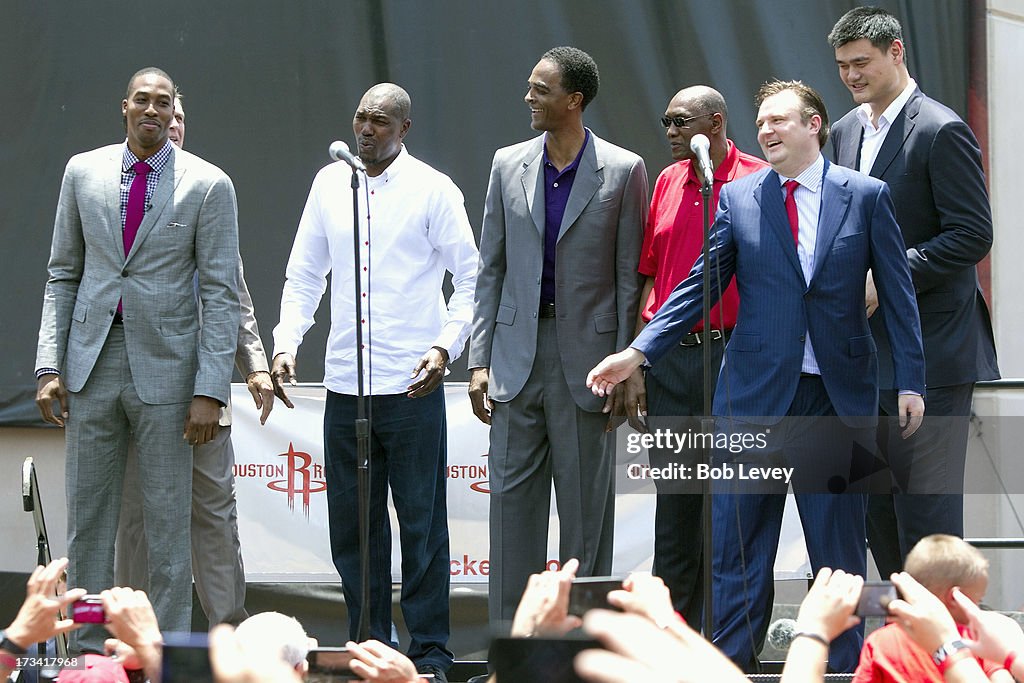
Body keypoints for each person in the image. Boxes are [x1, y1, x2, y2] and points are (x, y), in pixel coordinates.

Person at [586, 80, 925, 672]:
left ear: (814, 124)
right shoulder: (739, 197)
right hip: (751, 397)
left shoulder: (866, 196)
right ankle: (730, 668)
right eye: (761, 122)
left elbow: (898, 294)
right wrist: (638, 353)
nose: (766, 130)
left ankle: (840, 671)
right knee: (738, 551)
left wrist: (912, 380)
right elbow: (697, 285)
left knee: (838, 558)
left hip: (834, 398)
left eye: (779, 121)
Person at [271, 83, 478, 682]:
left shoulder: (434, 190)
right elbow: (305, 274)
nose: (366, 129)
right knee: (354, 528)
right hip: (347, 386)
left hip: (412, 386)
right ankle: (368, 647)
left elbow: (471, 278)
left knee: (421, 525)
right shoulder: (329, 183)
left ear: (404, 129)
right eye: (361, 117)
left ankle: (430, 653)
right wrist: (286, 342)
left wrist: (446, 347)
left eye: (381, 121)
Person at [34, 66, 240, 652]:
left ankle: (160, 654)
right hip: (91, 365)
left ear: (175, 111)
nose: (153, 110)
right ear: (124, 107)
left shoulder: (208, 184)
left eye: (163, 102)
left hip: (169, 372)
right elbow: (62, 274)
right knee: (88, 523)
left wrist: (210, 389)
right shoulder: (83, 172)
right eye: (142, 100)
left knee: (167, 526)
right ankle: (87, 650)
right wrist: (49, 365)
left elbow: (221, 293)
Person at [467, 45, 648, 624]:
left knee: (585, 521)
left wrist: (628, 364)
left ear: (574, 100)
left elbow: (629, 277)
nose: (528, 97)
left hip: (590, 366)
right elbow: (490, 269)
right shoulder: (506, 164)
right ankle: (511, 647)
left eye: (540, 90)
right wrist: (478, 359)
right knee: (509, 516)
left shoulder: (623, 169)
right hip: (515, 360)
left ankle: (580, 646)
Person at [828, 6, 999, 576]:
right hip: (865, 355)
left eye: (861, 62)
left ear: (896, 51)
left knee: (927, 518)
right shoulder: (845, 131)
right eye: (843, 65)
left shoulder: (941, 128)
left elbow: (973, 234)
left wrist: (890, 275)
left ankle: (940, 630)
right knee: (875, 511)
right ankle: (902, 626)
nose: (851, 75)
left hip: (933, 354)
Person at [114, 91, 276, 628]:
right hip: (136, 385)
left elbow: (232, 294)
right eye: (163, 113)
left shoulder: (207, 191)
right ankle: (136, 639)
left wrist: (254, 365)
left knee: (213, 514)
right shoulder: (118, 193)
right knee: (137, 519)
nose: (172, 123)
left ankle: (229, 632)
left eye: (179, 116)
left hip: (202, 392)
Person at [636, 85, 767, 625]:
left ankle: (730, 640)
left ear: (715, 122)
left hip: (736, 357)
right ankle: (674, 635)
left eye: (681, 121)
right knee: (677, 507)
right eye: (666, 121)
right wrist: (639, 360)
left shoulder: (758, 177)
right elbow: (651, 277)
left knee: (735, 506)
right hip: (672, 362)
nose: (670, 131)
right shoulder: (667, 181)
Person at [853, 535, 1011, 682]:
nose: (978, 609)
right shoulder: (976, 637)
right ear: (954, 598)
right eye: (977, 601)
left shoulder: (880, 641)